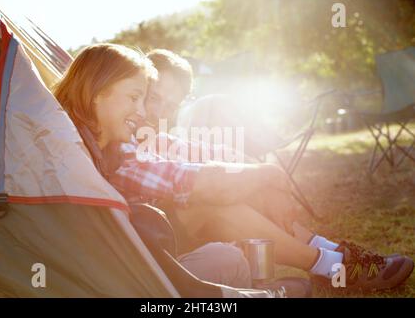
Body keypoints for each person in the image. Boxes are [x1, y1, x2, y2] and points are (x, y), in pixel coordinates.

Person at [107, 48, 413, 292]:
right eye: (153, 98)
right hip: (138, 254)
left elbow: (222, 156)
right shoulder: (118, 144)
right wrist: (266, 175)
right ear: (138, 88)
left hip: (161, 239)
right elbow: (208, 183)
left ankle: (333, 252)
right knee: (215, 201)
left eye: (170, 105)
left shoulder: (155, 139)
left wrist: (267, 176)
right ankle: (334, 267)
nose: (159, 111)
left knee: (236, 182)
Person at [53, 43, 312, 297]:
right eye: (138, 98)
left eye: (168, 105)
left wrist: (263, 172)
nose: (146, 111)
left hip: (143, 259)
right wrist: (266, 173)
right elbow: (192, 180)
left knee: (229, 253)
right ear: (97, 90)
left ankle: (313, 264)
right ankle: (278, 286)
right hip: (124, 278)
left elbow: (202, 154)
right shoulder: (80, 151)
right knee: (214, 207)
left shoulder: (114, 142)